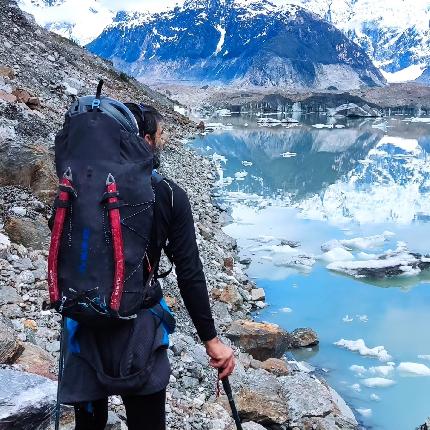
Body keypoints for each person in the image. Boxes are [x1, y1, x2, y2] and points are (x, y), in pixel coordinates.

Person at [58, 103, 235, 430]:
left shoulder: (77, 183)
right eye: (161, 134)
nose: (164, 140)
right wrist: (211, 341)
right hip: (137, 332)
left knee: (88, 426)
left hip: (83, 323)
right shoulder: (168, 195)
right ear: (144, 140)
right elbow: (190, 272)